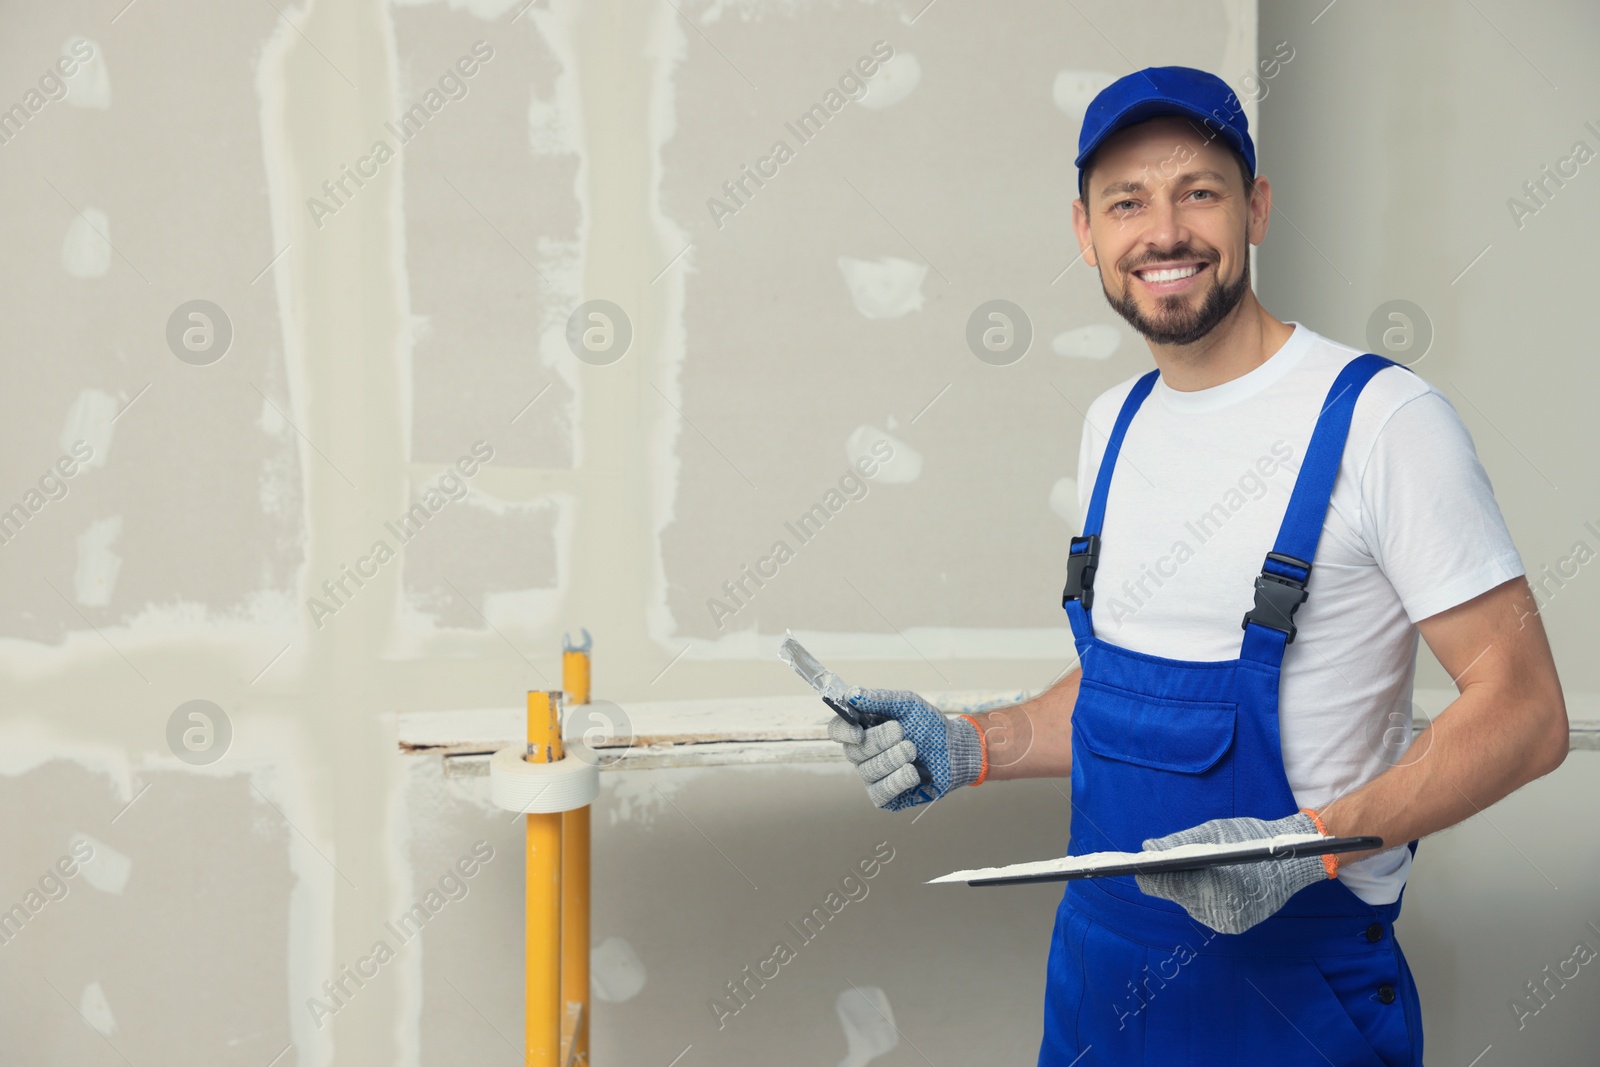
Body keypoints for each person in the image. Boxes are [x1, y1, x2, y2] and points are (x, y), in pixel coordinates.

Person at [825, 66, 1569, 1064]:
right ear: (1085, 233)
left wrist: (1301, 844)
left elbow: (1525, 713)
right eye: (1126, 202)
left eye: (1198, 192)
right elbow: (1131, 689)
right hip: (1096, 984)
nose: (1162, 231)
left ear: (1255, 208)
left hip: (1292, 1002)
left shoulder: (1383, 421)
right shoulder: (1114, 426)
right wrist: (970, 743)